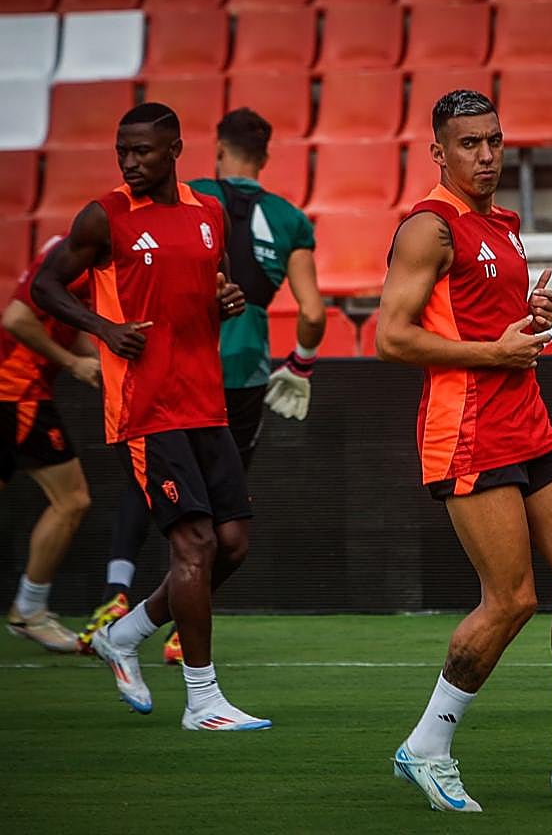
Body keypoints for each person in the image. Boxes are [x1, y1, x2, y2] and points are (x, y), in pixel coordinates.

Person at [376, 89, 552, 812]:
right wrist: (493, 351)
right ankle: (426, 747)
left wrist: (527, 317)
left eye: (494, 140)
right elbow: (391, 338)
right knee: (510, 600)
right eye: (469, 144)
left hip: (527, 420)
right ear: (439, 152)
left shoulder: (500, 223)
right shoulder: (429, 228)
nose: (486, 155)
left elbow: (479, 320)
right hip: (468, 428)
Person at [31, 102, 269, 731]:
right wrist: (103, 328)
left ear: (175, 150)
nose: (130, 162)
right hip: (144, 407)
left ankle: (124, 634)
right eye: (123, 152)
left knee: (232, 545)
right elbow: (44, 286)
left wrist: (227, 298)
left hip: (205, 402)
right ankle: (202, 701)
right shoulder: (104, 216)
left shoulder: (208, 211)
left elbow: (214, 286)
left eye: (142, 151)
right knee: (194, 543)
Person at [76, 107, 326, 665]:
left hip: (174, 370)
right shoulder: (288, 217)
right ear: (266, 156)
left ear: (214, 149)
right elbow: (311, 312)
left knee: (154, 495)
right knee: (215, 517)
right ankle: (178, 634)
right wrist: (301, 366)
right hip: (242, 371)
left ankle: (118, 598)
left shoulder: (193, 197)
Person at [2, 238, 97, 653]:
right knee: (71, 500)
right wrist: (75, 364)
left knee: (71, 501)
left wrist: (101, 360)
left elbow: (59, 324)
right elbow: (17, 318)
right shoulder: (81, 254)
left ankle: (29, 611)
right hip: (16, 392)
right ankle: (29, 611)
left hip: (19, 391)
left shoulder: (70, 251)